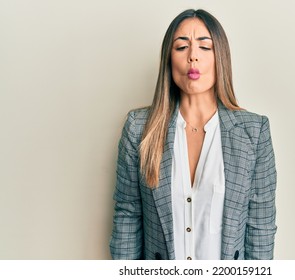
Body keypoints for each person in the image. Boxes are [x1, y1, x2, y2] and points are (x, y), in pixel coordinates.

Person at [110, 9, 277, 260]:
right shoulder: (139, 127)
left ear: (220, 56)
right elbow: (127, 217)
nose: (192, 57)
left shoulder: (254, 132)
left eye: (204, 47)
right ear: (168, 58)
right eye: (181, 47)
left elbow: (261, 228)